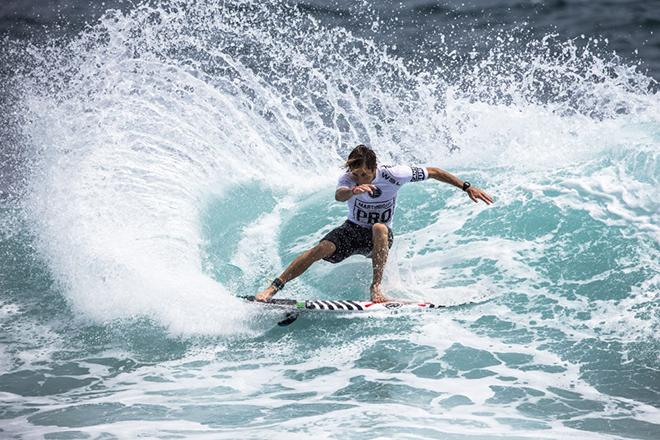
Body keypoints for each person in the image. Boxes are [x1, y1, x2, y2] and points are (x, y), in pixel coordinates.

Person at [255, 144, 493, 303]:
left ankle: (376, 288)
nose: (359, 178)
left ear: (374, 168)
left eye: (364, 174)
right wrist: (353, 190)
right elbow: (339, 195)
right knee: (320, 249)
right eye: (355, 174)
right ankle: (274, 287)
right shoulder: (348, 179)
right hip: (352, 230)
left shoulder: (395, 174)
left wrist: (467, 187)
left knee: (379, 226)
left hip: (379, 236)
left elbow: (434, 171)